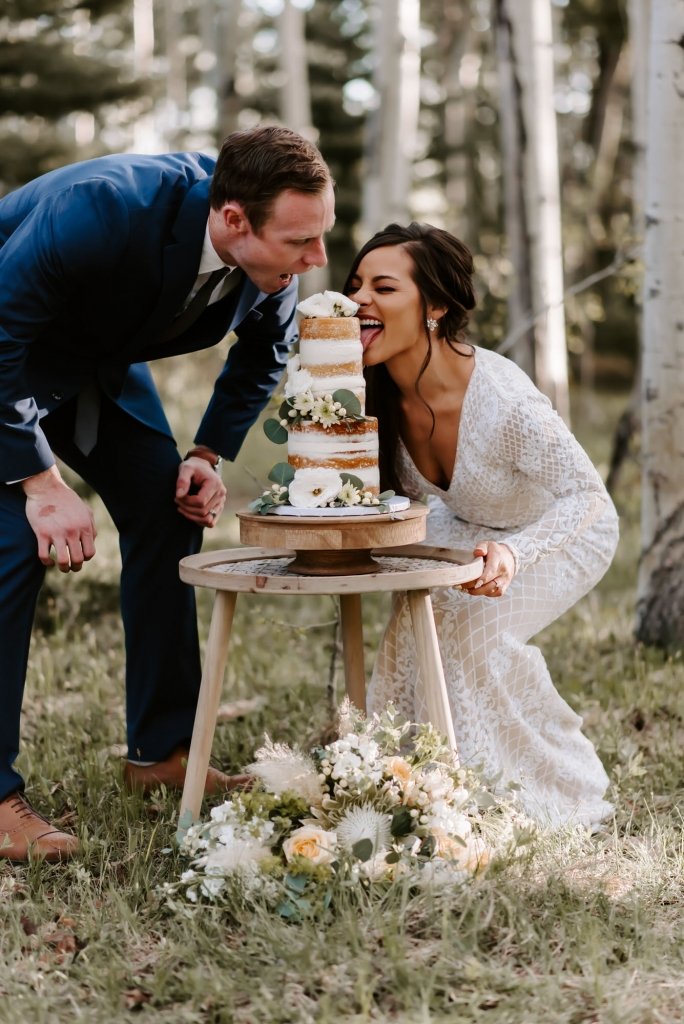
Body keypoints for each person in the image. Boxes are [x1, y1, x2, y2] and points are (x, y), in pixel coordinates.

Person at [0, 124, 335, 862]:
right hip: (6, 355)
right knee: (12, 540)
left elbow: (265, 353)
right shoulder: (100, 210)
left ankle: (163, 754)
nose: (318, 260)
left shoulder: (271, 264)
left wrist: (207, 452)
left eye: (322, 238)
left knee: (166, 504)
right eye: (301, 243)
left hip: (92, 360)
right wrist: (41, 482)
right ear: (233, 220)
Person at [344, 222, 619, 827]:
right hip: (464, 522)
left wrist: (515, 554)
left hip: (558, 533)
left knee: (472, 636)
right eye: (356, 283)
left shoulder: (504, 403)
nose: (359, 298)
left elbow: (587, 498)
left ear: (435, 307)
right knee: (415, 623)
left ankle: (548, 789)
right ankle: (404, 778)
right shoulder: (366, 391)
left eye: (383, 287)